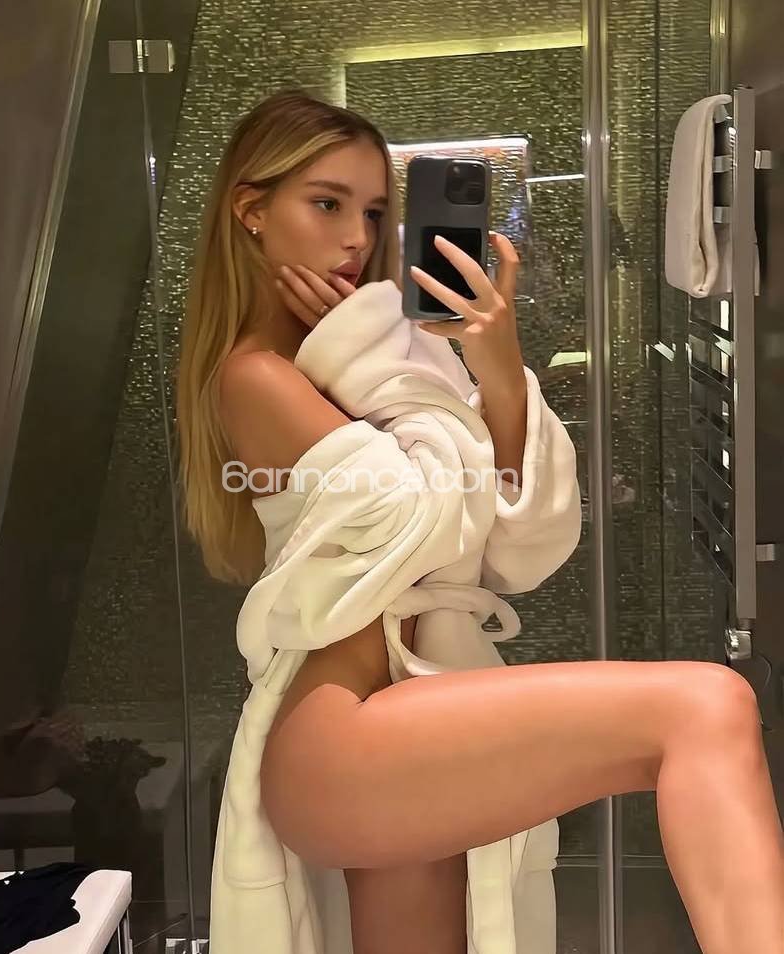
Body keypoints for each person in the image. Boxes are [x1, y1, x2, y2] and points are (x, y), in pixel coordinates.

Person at [175, 86, 784, 954]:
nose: (356, 239)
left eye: (374, 212)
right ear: (252, 212)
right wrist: (377, 336)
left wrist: (495, 365)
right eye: (326, 204)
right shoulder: (260, 376)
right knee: (706, 705)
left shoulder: (356, 365)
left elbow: (512, 542)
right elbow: (421, 519)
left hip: (412, 715)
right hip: (342, 736)